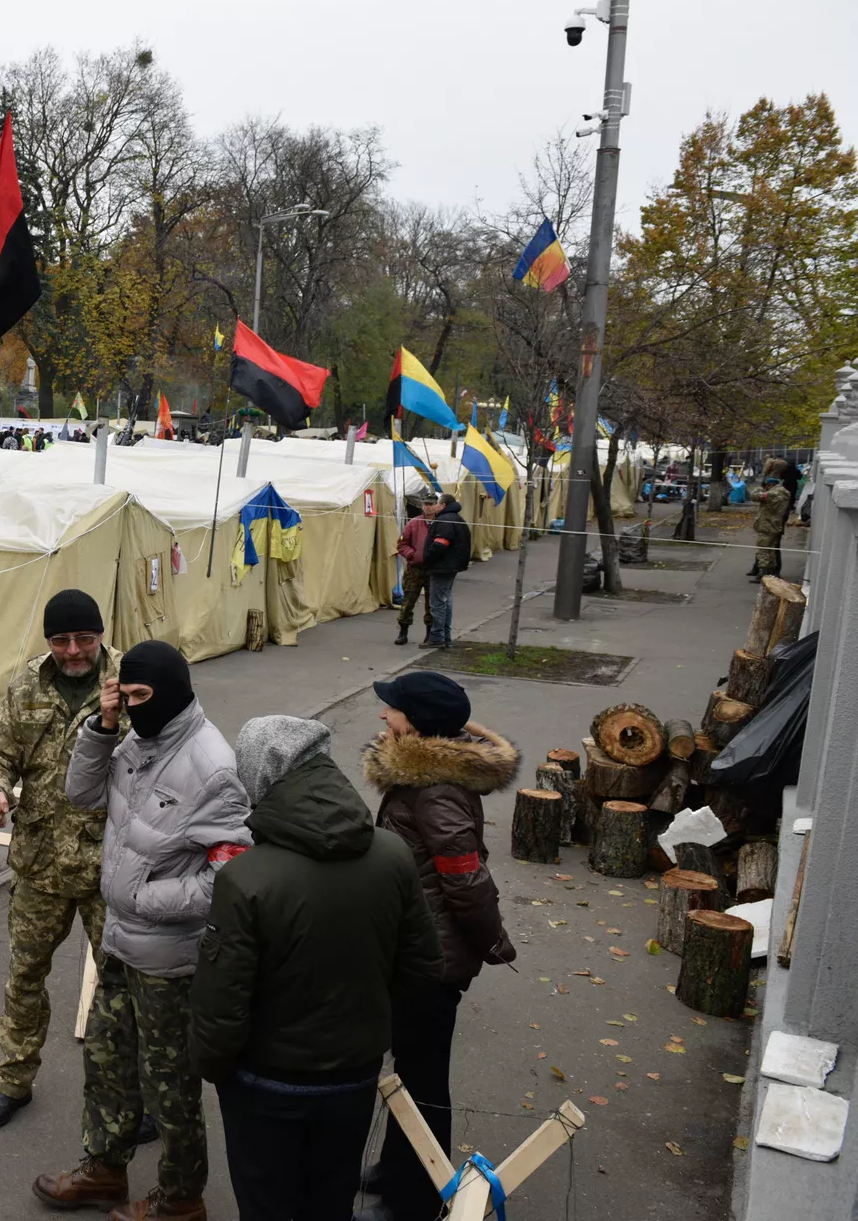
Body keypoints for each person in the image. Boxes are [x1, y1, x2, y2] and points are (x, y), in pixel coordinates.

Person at [190, 716, 443, 1221]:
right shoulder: (392, 854)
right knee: (331, 1201)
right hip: (353, 1076)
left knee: (267, 1205)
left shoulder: (245, 878)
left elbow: (222, 1003)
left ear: (260, 777)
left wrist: (217, 1072)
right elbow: (421, 969)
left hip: (265, 1082)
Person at [34, 640, 249, 1221]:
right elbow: (80, 795)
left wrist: (144, 898)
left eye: (140, 696)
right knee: (106, 1060)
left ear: (173, 692)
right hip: (121, 942)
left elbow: (229, 878)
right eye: (122, 695)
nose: (130, 706)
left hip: (170, 958)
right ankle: (104, 1169)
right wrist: (101, 728)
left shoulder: (212, 766)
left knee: (170, 1083)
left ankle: (181, 1198)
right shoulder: (133, 739)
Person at [357, 672, 518, 1221]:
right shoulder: (423, 780)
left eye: (393, 710)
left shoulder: (435, 792)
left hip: (431, 961)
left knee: (423, 1078)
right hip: (415, 950)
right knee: (408, 1068)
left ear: (418, 724)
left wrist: (491, 939)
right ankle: (397, 1168)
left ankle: (417, 1197)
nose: (384, 717)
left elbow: (465, 879)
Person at [0, 590, 123, 1132]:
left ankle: (129, 1093)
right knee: (25, 976)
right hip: (40, 863)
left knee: (123, 985)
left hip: (113, 866)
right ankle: (14, 1080)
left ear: (100, 635)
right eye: (61, 640)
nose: (74, 651)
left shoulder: (130, 684)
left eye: (84, 638)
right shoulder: (27, 686)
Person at [417, 493, 471, 649]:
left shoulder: (444, 520)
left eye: (438, 504)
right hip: (451, 566)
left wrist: (427, 557)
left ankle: (437, 636)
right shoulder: (457, 518)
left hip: (442, 567)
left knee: (438, 603)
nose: (435, 506)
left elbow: (440, 544)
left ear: (443, 505)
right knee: (446, 600)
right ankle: (445, 635)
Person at [393, 496, 436, 647]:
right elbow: (402, 544)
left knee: (431, 603)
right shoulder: (414, 523)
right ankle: (403, 631)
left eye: (431, 504)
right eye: (426, 504)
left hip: (433, 569)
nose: (428, 507)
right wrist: (412, 554)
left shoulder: (442, 523)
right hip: (414, 569)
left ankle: (430, 633)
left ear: (437, 506)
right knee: (408, 601)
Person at [751, 461, 790, 581]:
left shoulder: (772, 494)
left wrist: (759, 487)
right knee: (771, 551)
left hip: (766, 525)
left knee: (763, 551)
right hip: (775, 525)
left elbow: (754, 496)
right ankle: (772, 573)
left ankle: (763, 574)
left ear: (770, 485)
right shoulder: (784, 493)